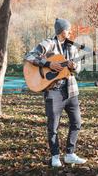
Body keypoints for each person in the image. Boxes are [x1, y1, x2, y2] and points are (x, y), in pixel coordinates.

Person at [24, 18, 86, 167]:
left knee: (76, 122)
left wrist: (73, 66)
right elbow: (29, 56)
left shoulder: (72, 47)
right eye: (68, 29)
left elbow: (78, 68)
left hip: (70, 90)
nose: (70, 32)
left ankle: (70, 154)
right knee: (53, 126)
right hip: (53, 91)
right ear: (61, 31)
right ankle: (55, 156)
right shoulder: (49, 43)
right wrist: (48, 63)